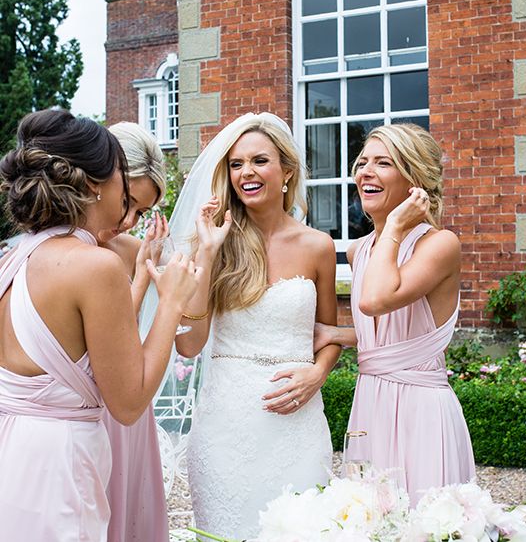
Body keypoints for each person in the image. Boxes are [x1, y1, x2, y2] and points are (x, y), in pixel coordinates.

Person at [0, 109, 200, 541]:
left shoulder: (11, 259)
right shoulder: (96, 266)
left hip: (12, 450)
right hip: (60, 464)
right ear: (94, 184)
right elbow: (128, 405)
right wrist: (171, 302)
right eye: (121, 182)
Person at [171, 112, 339, 540]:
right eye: (236, 163)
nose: (246, 172)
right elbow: (190, 345)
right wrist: (207, 255)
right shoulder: (214, 243)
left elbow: (329, 335)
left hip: (296, 420)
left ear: (286, 171)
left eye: (259, 160)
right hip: (225, 424)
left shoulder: (318, 246)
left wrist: (318, 374)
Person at [314, 123, 475, 506]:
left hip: (421, 406)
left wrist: (398, 226)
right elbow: (390, 335)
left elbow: (375, 300)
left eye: (383, 163)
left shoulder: (439, 244)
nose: (365, 172)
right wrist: (339, 335)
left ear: (414, 180)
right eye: (362, 162)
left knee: (424, 516)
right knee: (371, 516)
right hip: (370, 401)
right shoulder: (359, 251)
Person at [98, 122, 170, 542]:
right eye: (126, 202)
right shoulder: (58, 247)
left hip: (127, 412)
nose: (128, 221)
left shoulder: (129, 249)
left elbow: (125, 331)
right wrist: (142, 276)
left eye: (141, 212)